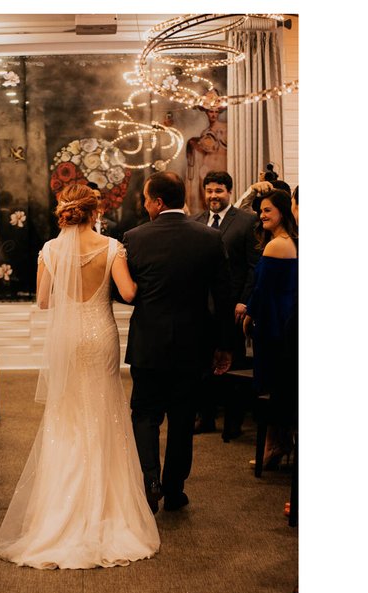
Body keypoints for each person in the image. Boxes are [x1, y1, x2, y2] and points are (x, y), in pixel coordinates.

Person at [0, 184, 159, 569]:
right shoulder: (111, 247)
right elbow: (130, 293)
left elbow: (44, 300)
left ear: (65, 211)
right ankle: (104, 506)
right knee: (102, 411)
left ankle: (61, 509)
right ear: (94, 209)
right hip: (100, 336)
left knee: (67, 415)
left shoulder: (50, 250)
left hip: (67, 339)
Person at [122, 171, 236, 513]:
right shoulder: (209, 237)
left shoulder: (134, 238)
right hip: (194, 344)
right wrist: (225, 345)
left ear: (157, 202)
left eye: (145, 199)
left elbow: (124, 293)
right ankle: (174, 490)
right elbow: (224, 295)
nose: (144, 205)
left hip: (149, 343)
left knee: (144, 414)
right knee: (183, 419)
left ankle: (150, 480)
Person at [191, 171, 261, 437]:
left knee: (233, 365)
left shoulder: (246, 221)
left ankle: (233, 423)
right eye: (209, 191)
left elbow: (254, 267)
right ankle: (204, 417)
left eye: (218, 191)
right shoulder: (195, 221)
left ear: (229, 192)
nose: (213, 196)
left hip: (232, 307)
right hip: (201, 307)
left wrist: (244, 301)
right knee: (203, 365)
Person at [242, 188, 298, 470]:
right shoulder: (289, 241)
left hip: (274, 321)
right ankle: (279, 442)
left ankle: (273, 445)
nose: (261, 215)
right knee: (279, 385)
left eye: (267, 211)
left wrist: (249, 316)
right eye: (260, 210)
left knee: (271, 385)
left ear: (283, 212)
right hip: (284, 317)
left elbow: (263, 289)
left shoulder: (277, 245)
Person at [185, 90, 228, 215]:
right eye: (210, 111)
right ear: (206, 112)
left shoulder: (225, 129)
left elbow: (214, 146)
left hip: (219, 167)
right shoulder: (205, 132)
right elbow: (204, 149)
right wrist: (193, 143)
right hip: (205, 170)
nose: (213, 115)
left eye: (216, 112)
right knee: (206, 203)